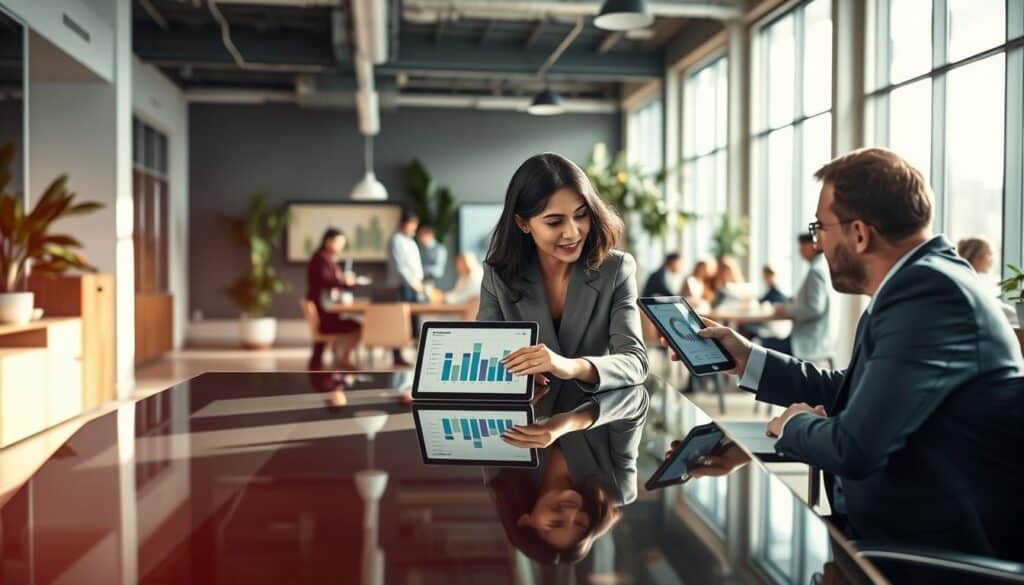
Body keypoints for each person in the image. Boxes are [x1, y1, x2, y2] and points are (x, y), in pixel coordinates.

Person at [662, 148, 1024, 568]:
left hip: (919, 551)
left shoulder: (928, 296)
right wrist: (746, 358)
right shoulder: (921, 282)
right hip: (894, 528)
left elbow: (852, 448)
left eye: (821, 228)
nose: (817, 243)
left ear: (859, 234)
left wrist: (793, 425)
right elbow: (852, 392)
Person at [478, 152, 649, 395]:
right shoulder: (498, 276)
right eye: (554, 222)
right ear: (523, 223)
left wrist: (571, 367)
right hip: (526, 422)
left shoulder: (616, 270)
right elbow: (484, 355)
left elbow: (636, 362)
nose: (572, 233)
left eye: (581, 215)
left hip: (593, 419)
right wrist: (513, 372)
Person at [487, 378, 649, 564]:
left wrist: (517, 391)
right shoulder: (617, 489)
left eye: (555, 523)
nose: (571, 513)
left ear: (526, 521)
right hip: (599, 358)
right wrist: (570, 423)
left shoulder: (503, 476)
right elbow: (636, 400)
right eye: (580, 523)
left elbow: (484, 401)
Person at [767, 233, 833, 363]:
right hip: (822, 338)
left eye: (802, 247)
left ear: (812, 245)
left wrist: (787, 311)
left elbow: (814, 308)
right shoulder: (824, 267)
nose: (800, 252)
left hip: (808, 341)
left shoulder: (816, 271)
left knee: (761, 346)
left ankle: (779, 383)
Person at [305, 228, 362, 370]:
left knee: (320, 348)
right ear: (328, 241)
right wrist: (345, 282)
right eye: (339, 242)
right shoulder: (320, 259)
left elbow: (331, 281)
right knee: (357, 327)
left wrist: (346, 283)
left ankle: (332, 358)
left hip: (326, 309)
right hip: (323, 311)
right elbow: (326, 280)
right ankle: (342, 358)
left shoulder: (326, 259)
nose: (341, 246)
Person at [386, 211, 423, 366]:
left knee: (415, 321)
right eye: (411, 224)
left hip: (414, 286)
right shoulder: (396, 240)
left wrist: (419, 282)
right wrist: (413, 282)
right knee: (399, 321)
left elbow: (416, 266)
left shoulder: (411, 242)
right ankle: (397, 356)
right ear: (403, 224)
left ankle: (419, 356)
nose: (414, 228)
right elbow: (401, 266)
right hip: (401, 286)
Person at [957, 236, 1019, 327]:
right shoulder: (969, 282)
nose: (993, 260)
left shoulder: (969, 279)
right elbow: (995, 309)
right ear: (977, 257)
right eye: (989, 254)